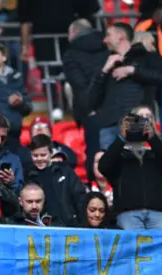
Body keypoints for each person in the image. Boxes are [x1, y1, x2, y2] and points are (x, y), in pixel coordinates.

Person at [87, 22, 162, 150]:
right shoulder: (105, 61)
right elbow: (90, 100)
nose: (105, 40)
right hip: (109, 126)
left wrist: (133, 71)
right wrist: (104, 71)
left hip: (136, 123)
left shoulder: (146, 57)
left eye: (108, 35)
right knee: (110, 168)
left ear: (120, 36)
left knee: (138, 165)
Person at [98, 107, 162, 230]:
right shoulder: (119, 156)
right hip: (128, 212)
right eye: (135, 123)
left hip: (158, 211)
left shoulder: (155, 154)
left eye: (145, 121)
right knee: (133, 248)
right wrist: (121, 139)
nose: (139, 126)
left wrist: (153, 138)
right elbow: (103, 167)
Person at [63, 19, 109, 179]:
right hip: (113, 108)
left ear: (74, 33)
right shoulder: (108, 47)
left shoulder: (71, 54)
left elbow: (79, 86)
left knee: (95, 157)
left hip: (92, 112)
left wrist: (88, 111)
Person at [24, 134, 87, 226]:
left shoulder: (65, 171)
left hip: (68, 225)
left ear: (51, 153)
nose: (39, 159)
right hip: (41, 227)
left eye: (43, 155)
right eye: (35, 155)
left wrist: (80, 222)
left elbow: (80, 197)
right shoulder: (28, 175)